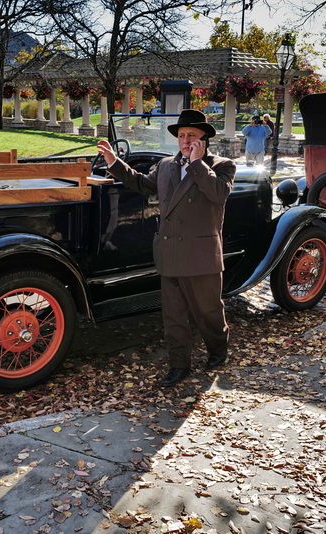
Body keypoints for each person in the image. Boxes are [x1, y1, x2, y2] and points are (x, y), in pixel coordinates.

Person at [96, 109, 235, 387]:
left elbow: (219, 195)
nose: (185, 141)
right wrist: (114, 162)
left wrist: (197, 164)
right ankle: (178, 364)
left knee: (208, 312)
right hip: (170, 252)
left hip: (202, 255)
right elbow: (141, 183)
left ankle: (218, 350)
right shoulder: (166, 165)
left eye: (192, 136)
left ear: (204, 138)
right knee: (173, 316)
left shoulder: (222, 165)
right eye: (182, 136)